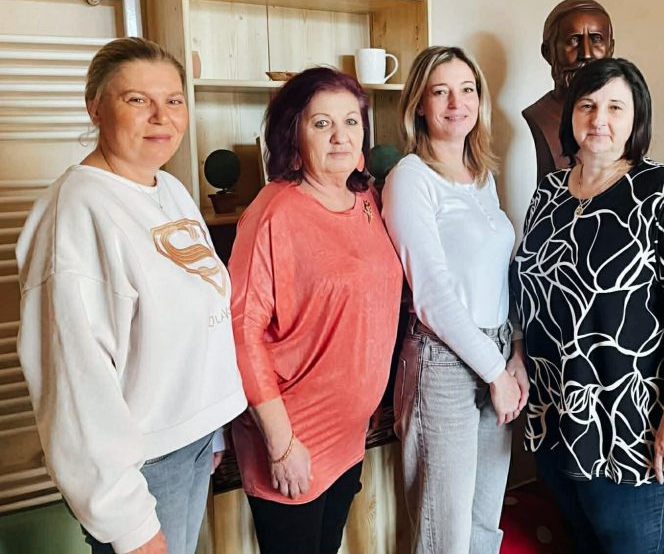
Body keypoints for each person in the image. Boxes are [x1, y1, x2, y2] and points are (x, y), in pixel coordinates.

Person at [15, 38, 247, 554]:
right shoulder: (76, 213)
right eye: (137, 99)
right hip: (141, 465)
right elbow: (75, 387)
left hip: (189, 444)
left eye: (174, 100)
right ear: (95, 107)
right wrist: (129, 526)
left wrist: (210, 428)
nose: (161, 116)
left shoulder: (169, 189)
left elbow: (200, 316)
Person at [510, 58, 664, 554]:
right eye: (587, 105)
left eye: (615, 107)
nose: (598, 119)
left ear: (637, 118)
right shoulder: (548, 194)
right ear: (571, 114)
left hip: (634, 430)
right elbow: (528, 288)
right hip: (558, 420)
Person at [228, 67, 402, 554]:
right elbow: (242, 331)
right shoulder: (273, 212)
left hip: (349, 435)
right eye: (322, 123)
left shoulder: (365, 198)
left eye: (351, 121)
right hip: (294, 435)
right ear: (293, 133)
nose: (340, 136)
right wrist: (281, 444)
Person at [382, 46, 528, 554]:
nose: (456, 103)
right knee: (444, 536)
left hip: (496, 351)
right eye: (440, 91)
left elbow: (499, 275)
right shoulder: (409, 177)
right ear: (419, 105)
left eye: (467, 90)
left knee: (484, 526)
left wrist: (515, 353)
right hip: (441, 362)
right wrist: (496, 372)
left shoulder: (482, 175)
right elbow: (432, 294)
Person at [522, 0, 614, 182]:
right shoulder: (539, 115)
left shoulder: (624, 115)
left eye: (596, 39)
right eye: (573, 40)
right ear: (548, 52)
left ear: (610, 48)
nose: (586, 54)